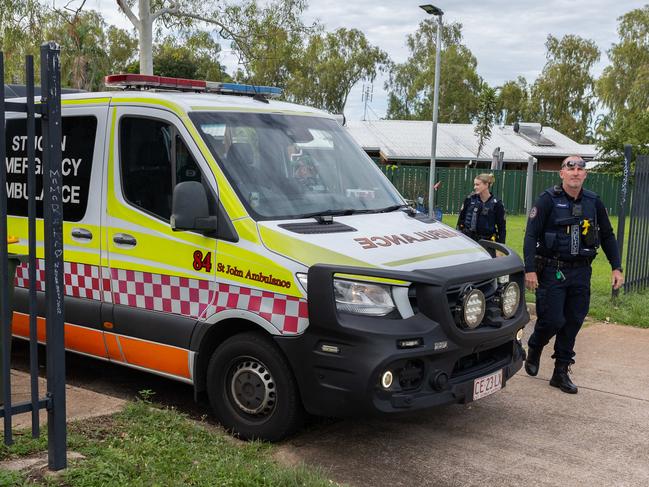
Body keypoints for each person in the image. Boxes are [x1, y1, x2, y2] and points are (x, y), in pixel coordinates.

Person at [523, 155, 624, 394]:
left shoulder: (593, 202)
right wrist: (529, 270)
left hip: (581, 271)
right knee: (553, 320)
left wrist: (616, 266)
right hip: (552, 269)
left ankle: (560, 371)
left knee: (574, 321)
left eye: (580, 169)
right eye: (571, 168)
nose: (576, 172)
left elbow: (608, 235)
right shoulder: (547, 200)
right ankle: (536, 346)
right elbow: (530, 235)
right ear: (562, 173)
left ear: (585, 175)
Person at [457, 173, 506, 245]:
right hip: (468, 241)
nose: (474, 187)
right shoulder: (470, 199)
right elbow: (460, 221)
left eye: (477, 184)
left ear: (486, 185)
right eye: (474, 184)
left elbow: (501, 228)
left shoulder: (497, 204)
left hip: (487, 243)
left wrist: (500, 248)